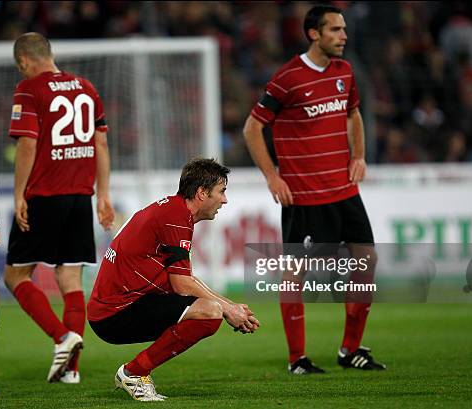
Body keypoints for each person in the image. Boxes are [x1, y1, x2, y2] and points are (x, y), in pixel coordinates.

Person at [243, 5, 385, 374]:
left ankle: (350, 350)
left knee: (366, 262)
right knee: (295, 274)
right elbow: (252, 129)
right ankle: (297, 359)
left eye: (344, 29)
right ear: (314, 34)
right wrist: (273, 176)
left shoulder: (345, 72)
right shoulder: (287, 78)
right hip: (305, 197)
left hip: (344, 190)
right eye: (335, 30)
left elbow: (353, 114)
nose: (344, 36)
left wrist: (360, 156)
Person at [87, 158, 260, 401]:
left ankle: (134, 372)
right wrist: (227, 309)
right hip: (114, 313)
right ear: (201, 193)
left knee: (212, 309)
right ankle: (133, 373)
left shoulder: (172, 210)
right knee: (209, 313)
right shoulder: (175, 216)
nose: (225, 200)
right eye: (221, 192)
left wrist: (229, 306)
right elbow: (182, 285)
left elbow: (184, 279)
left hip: (120, 306)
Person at [3, 32, 115, 384]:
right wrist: (103, 195)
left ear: (24, 62)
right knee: (70, 279)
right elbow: (100, 142)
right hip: (80, 198)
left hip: (44, 196)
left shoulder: (29, 89)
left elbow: (27, 145)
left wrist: (19, 193)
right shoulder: (86, 87)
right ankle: (72, 371)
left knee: (15, 276)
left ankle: (62, 336)